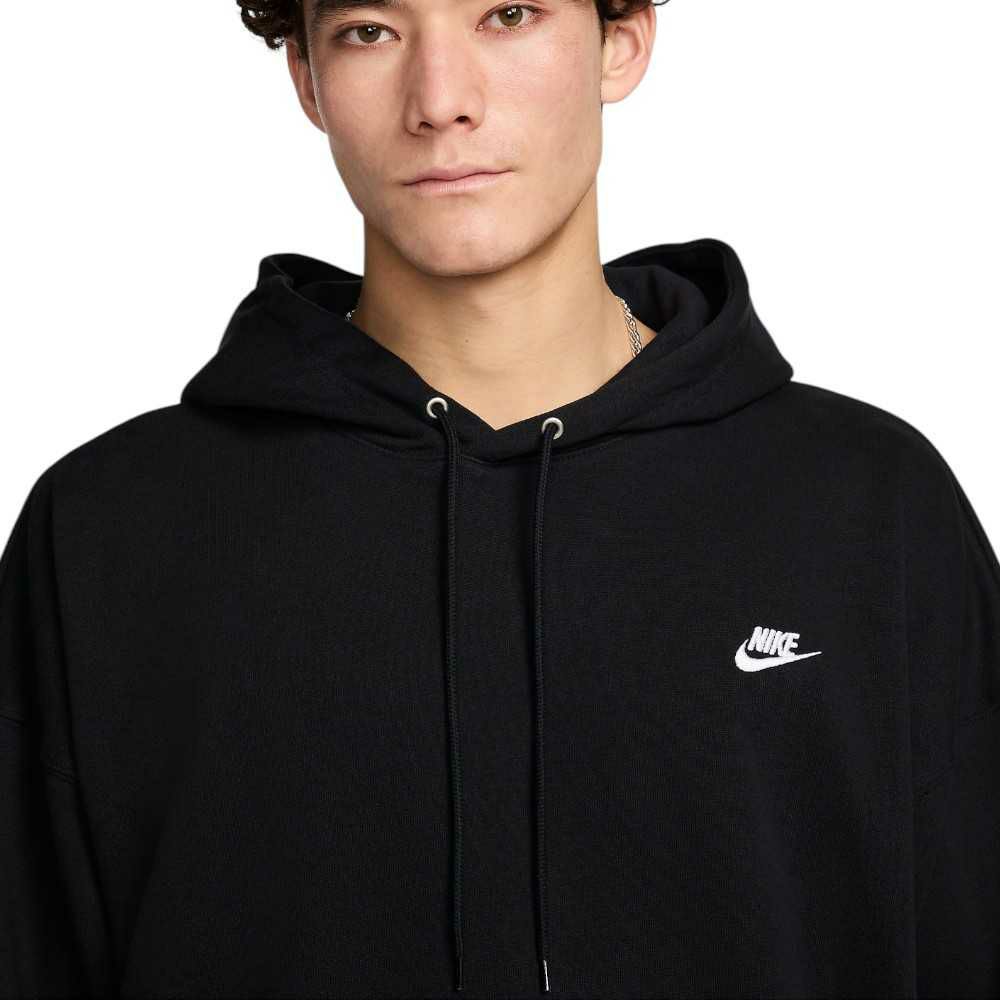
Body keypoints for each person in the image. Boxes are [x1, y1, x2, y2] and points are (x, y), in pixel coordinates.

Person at [2, 0, 997, 995]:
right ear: (306, 78)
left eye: (508, 14)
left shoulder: (870, 509)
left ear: (620, 43)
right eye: (369, 31)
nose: (441, 100)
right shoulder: (106, 536)